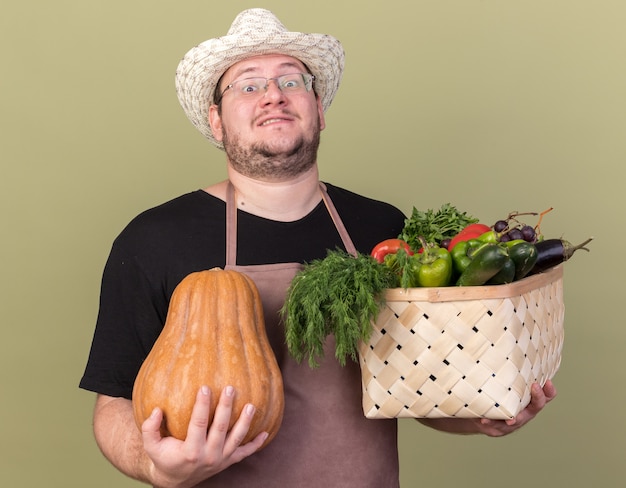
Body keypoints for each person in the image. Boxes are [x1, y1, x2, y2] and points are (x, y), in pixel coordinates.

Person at [79, 8, 557, 488]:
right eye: (248, 86)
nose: (273, 96)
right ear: (217, 121)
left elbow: (415, 385)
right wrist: (156, 466)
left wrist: (478, 414)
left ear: (319, 108)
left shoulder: (383, 230)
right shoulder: (155, 237)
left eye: (293, 81)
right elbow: (113, 403)